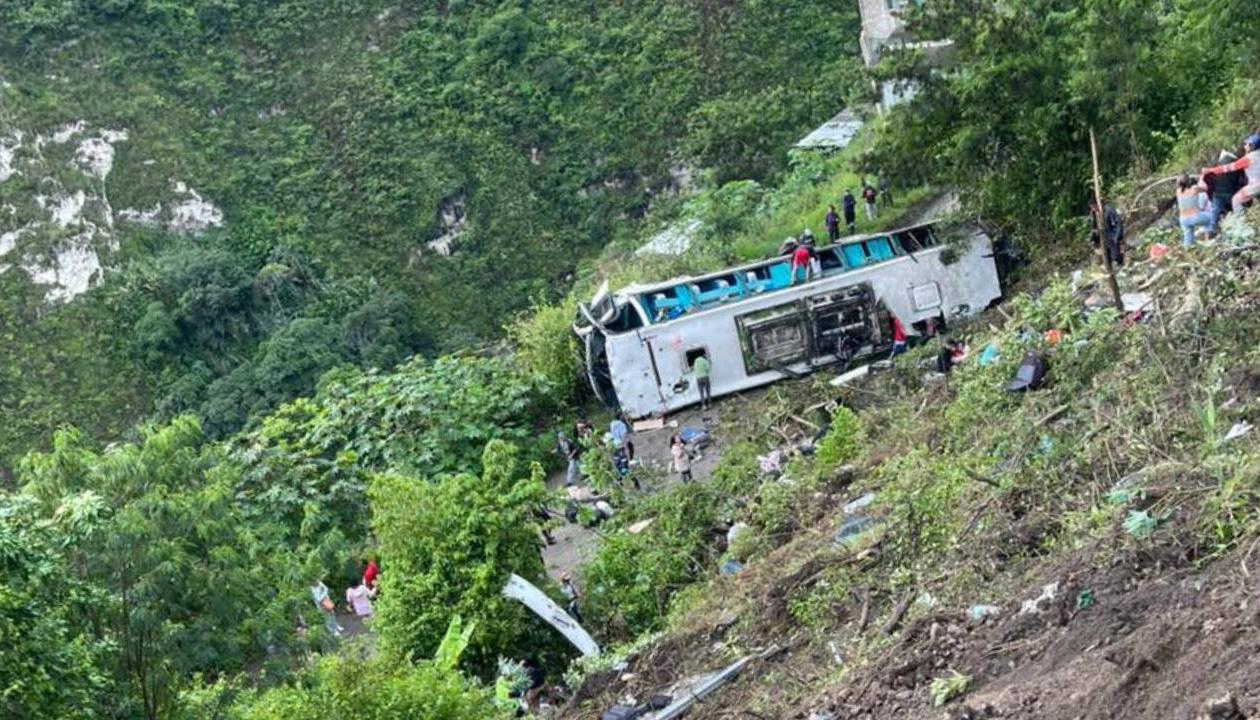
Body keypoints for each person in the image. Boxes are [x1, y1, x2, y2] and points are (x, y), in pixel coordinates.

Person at [1202, 134, 1260, 214]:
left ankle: (1241, 222)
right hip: (1255, 186)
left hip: (1255, 185)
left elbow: (1228, 168)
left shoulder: (1247, 159)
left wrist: (1210, 170)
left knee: (1235, 200)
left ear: (1252, 146)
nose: (1245, 146)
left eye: (1247, 144)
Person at [1206, 149, 1246, 228]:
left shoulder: (1217, 167)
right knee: (1236, 208)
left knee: (1214, 212)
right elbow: (1242, 181)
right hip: (1232, 193)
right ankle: (1240, 224)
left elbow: (1210, 181)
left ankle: (1211, 229)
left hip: (1217, 194)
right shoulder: (1236, 166)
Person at [1174, 174, 1213, 247]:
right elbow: (1205, 188)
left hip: (1183, 219)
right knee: (1211, 217)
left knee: (1188, 237)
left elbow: (1183, 188)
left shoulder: (1178, 191)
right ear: (1189, 181)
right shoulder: (1194, 188)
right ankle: (1207, 239)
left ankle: (1186, 250)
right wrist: (1200, 179)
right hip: (1195, 217)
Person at [1088, 198, 1125, 266]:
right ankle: (1111, 270)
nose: (1093, 209)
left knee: (1115, 256)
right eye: (1092, 207)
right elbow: (1094, 226)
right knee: (1107, 257)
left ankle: (1120, 265)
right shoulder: (1095, 213)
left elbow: (1118, 224)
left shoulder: (1109, 210)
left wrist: (1117, 237)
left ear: (1098, 204)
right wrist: (1093, 238)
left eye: (1094, 207)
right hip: (1103, 237)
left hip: (1112, 236)